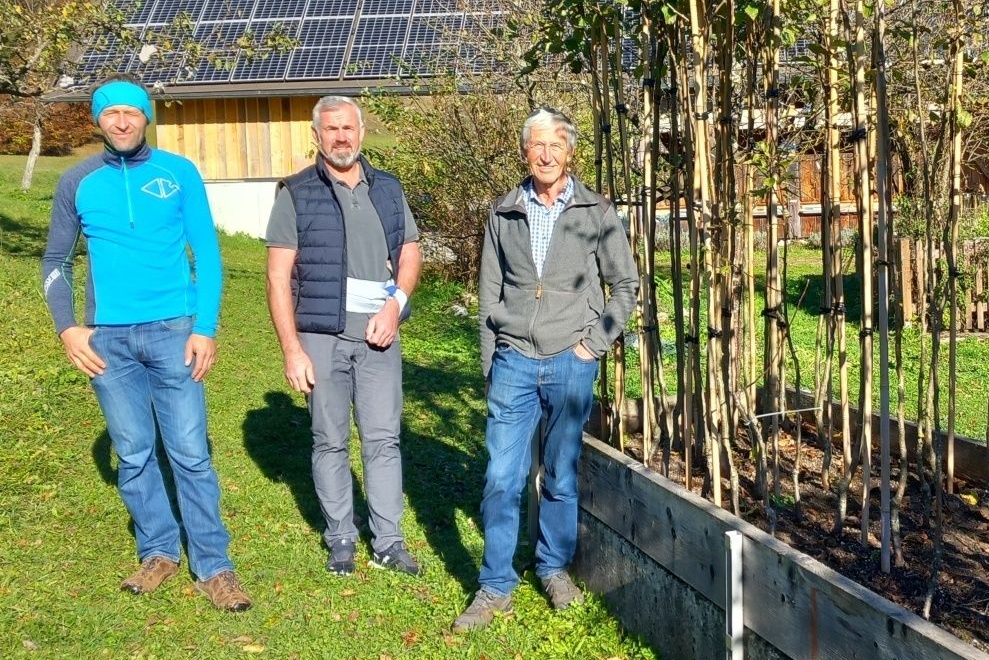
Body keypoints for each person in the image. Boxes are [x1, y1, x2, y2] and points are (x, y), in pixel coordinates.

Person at [42, 78, 250, 612]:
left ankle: (214, 565)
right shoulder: (77, 182)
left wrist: (205, 327)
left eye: (131, 112)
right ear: (97, 121)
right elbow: (55, 263)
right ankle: (158, 550)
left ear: (146, 117)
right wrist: (68, 328)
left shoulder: (178, 174)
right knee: (133, 453)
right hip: (108, 339)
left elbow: (207, 251)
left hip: (174, 332)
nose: (121, 121)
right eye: (109, 113)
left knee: (190, 453)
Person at [454, 107, 639, 631]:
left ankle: (553, 568)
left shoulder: (596, 212)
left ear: (570, 153)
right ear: (525, 151)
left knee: (560, 475)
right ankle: (494, 585)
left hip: (570, 361)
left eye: (556, 145)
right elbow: (489, 291)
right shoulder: (503, 212)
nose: (547, 154)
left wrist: (593, 345)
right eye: (537, 145)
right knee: (500, 477)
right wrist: (492, 357)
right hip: (514, 360)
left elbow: (625, 286)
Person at [266, 96, 422, 576]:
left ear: (361, 131)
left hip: (379, 337)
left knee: (383, 439)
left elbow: (411, 252)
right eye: (331, 129)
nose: (341, 137)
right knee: (329, 439)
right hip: (320, 336)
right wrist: (292, 350)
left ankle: (389, 541)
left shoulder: (389, 189)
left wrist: (395, 306)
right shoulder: (295, 192)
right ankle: (340, 537)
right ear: (317, 135)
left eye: (348, 128)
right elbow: (276, 277)